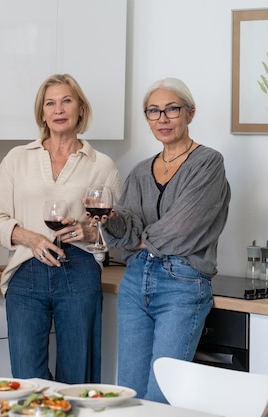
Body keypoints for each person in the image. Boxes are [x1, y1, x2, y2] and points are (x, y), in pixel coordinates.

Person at [0, 73, 122, 383]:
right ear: (42, 113)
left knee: (77, 376)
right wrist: (29, 238)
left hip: (80, 270)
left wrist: (88, 233)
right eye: (50, 103)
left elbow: (114, 231)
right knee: (27, 377)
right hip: (26, 271)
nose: (58, 109)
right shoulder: (17, 158)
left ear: (80, 109)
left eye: (66, 101)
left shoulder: (102, 165)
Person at [101, 77, 231, 402]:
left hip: (182, 283)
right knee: (127, 395)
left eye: (171, 109)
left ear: (190, 113)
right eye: (153, 111)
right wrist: (108, 220)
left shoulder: (207, 163)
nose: (162, 118)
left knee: (161, 397)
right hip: (134, 283)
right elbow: (123, 231)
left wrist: (136, 238)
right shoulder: (141, 171)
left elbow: (183, 228)